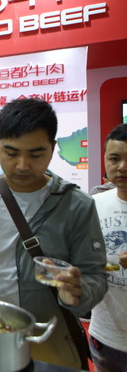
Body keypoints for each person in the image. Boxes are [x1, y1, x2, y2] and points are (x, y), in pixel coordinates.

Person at [0, 98, 107, 368]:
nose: (22, 165)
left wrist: (76, 293)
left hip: (45, 337)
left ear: (52, 148)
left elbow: (95, 276)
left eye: (36, 154)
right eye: (11, 152)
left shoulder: (76, 205)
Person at [89, 124, 127, 372]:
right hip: (105, 333)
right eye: (114, 158)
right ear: (105, 160)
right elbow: (91, 263)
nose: (122, 167)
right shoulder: (92, 205)